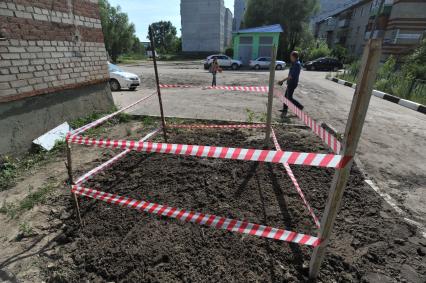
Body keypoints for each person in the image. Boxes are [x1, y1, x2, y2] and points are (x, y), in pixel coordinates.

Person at [278, 51, 303, 115]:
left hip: (292, 83)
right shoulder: (295, 63)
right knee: (286, 97)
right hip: (291, 83)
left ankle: (300, 107)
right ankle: (285, 109)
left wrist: (282, 81)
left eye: (291, 56)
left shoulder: (297, 64)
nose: (290, 57)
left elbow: (291, 76)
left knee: (289, 98)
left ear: (293, 56)